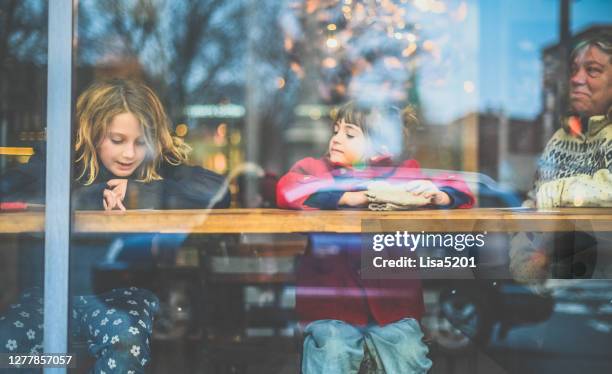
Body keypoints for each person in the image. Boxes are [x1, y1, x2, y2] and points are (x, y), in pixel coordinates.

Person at [0, 78, 230, 373]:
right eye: (117, 140)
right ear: (91, 134)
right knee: (8, 345)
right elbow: (8, 188)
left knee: (125, 340)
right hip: (49, 293)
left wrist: (141, 191)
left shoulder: (159, 168)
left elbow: (219, 190)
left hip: (126, 293)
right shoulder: (60, 162)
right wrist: (90, 197)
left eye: (140, 142)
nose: (129, 154)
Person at [277, 102, 474, 373]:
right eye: (335, 131)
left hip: (393, 309)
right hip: (331, 307)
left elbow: (460, 187)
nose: (336, 139)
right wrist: (350, 196)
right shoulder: (315, 169)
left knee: (408, 353)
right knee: (332, 353)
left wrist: (438, 193)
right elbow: (287, 189)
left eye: (349, 134)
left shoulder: (405, 173)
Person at [510, 32, 612, 281]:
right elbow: (533, 206)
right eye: (574, 70)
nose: (577, 79)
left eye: (593, 70)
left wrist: (564, 189)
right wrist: (526, 265)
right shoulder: (559, 139)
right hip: (560, 290)